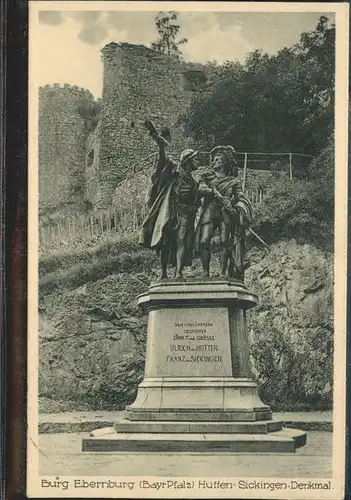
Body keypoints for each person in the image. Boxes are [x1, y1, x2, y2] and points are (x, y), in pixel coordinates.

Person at [139, 122, 200, 279]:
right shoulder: (175, 170)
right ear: (187, 161)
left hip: (186, 214)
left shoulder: (194, 181)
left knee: (182, 242)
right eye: (195, 159)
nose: (198, 162)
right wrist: (161, 145)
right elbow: (163, 160)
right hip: (171, 211)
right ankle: (164, 273)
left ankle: (178, 272)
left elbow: (196, 199)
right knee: (164, 242)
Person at [195, 145, 253, 280]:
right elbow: (200, 189)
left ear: (225, 163)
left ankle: (222, 273)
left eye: (219, 159)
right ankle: (205, 272)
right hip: (209, 209)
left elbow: (241, 197)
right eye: (214, 159)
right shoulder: (206, 176)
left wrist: (237, 207)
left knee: (224, 242)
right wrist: (212, 192)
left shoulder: (233, 181)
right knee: (204, 241)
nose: (215, 161)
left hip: (225, 212)